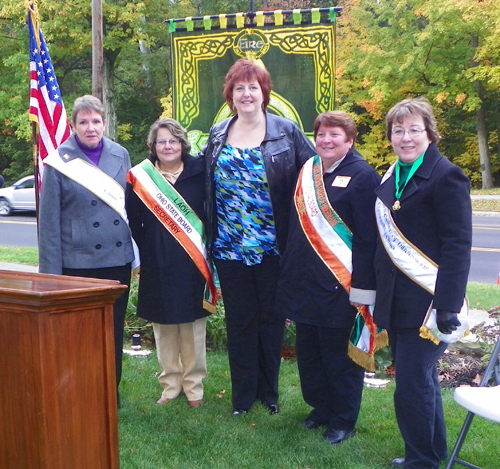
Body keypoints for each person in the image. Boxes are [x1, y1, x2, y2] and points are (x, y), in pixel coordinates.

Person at [202, 58, 316, 415]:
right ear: (231, 95)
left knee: (270, 321)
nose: (247, 94)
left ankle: (269, 393)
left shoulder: (285, 131)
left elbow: (314, 176)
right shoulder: (218, 132)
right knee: (240, 322)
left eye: (253, 87)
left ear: (264, 92)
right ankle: (242, 397)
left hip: (273, 248)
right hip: (230, 249)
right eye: (240, 88)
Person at [374, 98, 472, 469]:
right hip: (398, 300)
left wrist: (447, 303)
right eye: (398, 130)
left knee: (412, 385)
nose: (406, 137)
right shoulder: (391, 175)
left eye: (415, 129)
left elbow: (457, 245)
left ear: (430, 133)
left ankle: (422, 460)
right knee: (421, 382)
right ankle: (431, 454)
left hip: (429, 303)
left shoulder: (447, 175)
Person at [275, 111, 381, 444]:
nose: (326, 140)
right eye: (321, 134)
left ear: (349, 140)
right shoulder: (309, 170)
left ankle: (343, 419)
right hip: (304, 282)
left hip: (342, 285)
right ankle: (320, 409)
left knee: (340, 358)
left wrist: (364, 287)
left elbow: (367, 238)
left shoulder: (363, 176)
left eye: (335, 135)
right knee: (310, 355)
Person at [38, 95, 135, 394]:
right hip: (77, 264)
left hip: (117, 260)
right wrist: (51, 275)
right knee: (78, 333)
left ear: (104, 123)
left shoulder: (121, 154)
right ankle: (82, 391)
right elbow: (49, 224)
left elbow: (129, 208)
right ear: (74, 125)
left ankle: (110, 390)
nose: (90, 127)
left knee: (113, 330)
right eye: (84, 122)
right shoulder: (58, 161)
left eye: (96, 121)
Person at [127, 118, 215, 409]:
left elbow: (210, 213)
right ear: (153, 145)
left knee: (192, 326)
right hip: (158, 262)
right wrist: (151, 249)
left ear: (182, 144)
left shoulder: (200, 172)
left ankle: (194, 387)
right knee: (164, 328)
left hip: (193, 261)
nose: (167, 146)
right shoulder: (141, 176)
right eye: (161, 141)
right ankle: (170, 385)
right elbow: (134, 222)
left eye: (173, 141)